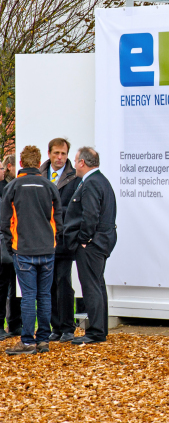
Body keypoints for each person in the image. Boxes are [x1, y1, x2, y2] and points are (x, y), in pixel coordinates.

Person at [0, 146, 62, 355]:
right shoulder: (49, 186)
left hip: (23, 249)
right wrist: (54, 242)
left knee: (28, 296)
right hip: (46, 249)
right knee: (44, 295)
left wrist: (11, 247)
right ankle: (43, 339)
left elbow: (5, 222)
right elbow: (58, 218)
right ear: (38, 163)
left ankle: (27, 341)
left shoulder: (13, 186)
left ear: (20, 163)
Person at [64, 147, 116, 345]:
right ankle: (100, 329)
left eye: (75, 160)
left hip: (92, 243)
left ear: (82, 163)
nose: (74, 164)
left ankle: (95, 332)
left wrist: (84, 239)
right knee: (97, 283)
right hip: (100, 240)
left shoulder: (91, 182)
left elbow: (90, 215)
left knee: (91, 286)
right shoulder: (101, 180)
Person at [40, 138, 80, 343]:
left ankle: (67, 327)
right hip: (43, 240)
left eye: (63, 154)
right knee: (49, 285)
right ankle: (55, 326)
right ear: (49, 153)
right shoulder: (39, 175)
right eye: (56, 153)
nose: (59, 157)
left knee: (63, 282)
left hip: (63, 240)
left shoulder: (74, 178)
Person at [0, 155, 22, 341]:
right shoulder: (5, 188)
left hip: (14, 240)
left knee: (15, 285)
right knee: (3, 284)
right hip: (4, 241)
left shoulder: (14, 187)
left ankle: (15, 323)